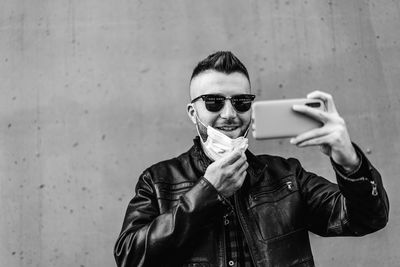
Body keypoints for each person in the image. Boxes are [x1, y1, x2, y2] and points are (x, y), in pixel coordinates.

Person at [114, 51, 389, 267]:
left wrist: (350, 162)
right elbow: (129, 257)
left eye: (241, 102)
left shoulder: (287, 176)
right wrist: (206, 193)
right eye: (213, 102)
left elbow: (366, 218)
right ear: (191, 112)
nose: (230, 113)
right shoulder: (159, 180)